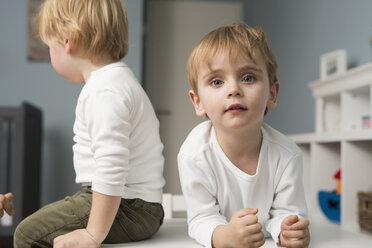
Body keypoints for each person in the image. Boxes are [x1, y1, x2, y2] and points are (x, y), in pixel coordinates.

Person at [14, 0, 165, 247]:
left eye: (49, 45)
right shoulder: (119, 79)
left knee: (28, 233)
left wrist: (93, 233)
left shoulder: (102, 90)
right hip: (142, 207)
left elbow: (111, 164)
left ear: (65, 40)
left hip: (128, 207)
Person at [178, 23, 310, 248]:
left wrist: (288, 231)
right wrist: (223, 236)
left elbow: (285, 212)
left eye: (248, 78)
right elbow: (200, 218)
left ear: (271, 93)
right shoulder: (193, 154)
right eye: (217, 82)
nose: (233, 90)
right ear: (198, 102)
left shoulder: (287, 154)